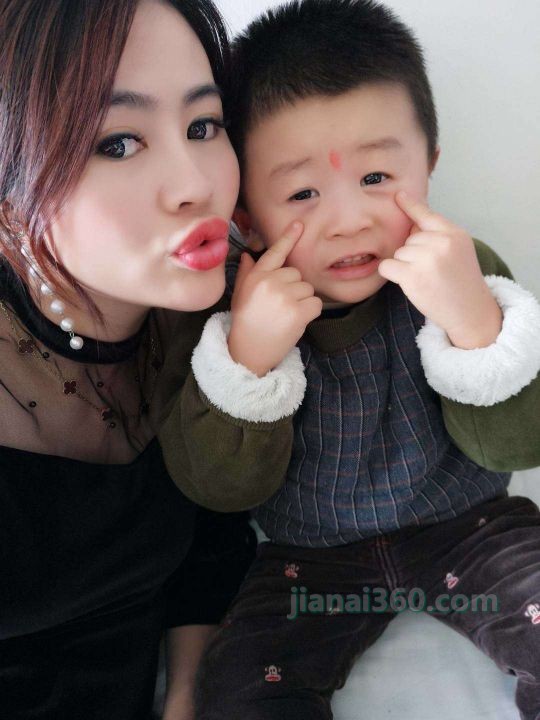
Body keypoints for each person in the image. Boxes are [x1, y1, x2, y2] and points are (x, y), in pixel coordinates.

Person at [175, 1, 540, 717]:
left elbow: (518, 447)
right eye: (302, 193)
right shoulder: (225, 309)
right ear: (246, 215)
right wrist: (248, 359)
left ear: (429, 164)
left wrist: (472, 320)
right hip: (308, 561)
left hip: (469, 529)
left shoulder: (462, 269)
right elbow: (216, 491)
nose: (350, 219)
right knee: (239, 688)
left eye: (376, 178)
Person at [0, 1, 315, 718]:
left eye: (203, 127)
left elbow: (211, 537)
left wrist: (187, 691)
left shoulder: (220, 312)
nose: (196, 185)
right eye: (117, 143)